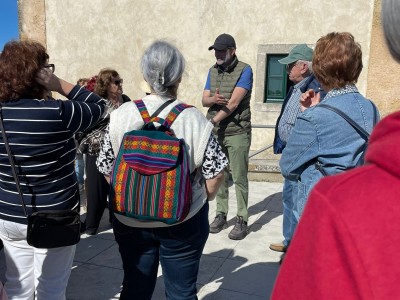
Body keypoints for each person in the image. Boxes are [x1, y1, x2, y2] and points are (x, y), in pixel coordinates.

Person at [272, 5, 400, 297]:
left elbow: (288, 166)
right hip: (359, 206)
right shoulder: (369, 107)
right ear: (356, 67)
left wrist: (310, 117)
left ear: (320, 68)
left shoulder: (315, 117)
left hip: (321, 208)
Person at [96, 40, 227, 299]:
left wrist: (131, 192)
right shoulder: (194, 119)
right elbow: (216, 173)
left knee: (134, 286)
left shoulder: (121, 114)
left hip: (129, 219)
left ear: (145, 75)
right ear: (178, 76)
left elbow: (105, 166)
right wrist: (203, 198)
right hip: (183, 218)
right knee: (181, 291)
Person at [0, 40, 106, 300]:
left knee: (17, 286)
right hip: (56, 214)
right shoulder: (57, 113)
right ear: (38, 74)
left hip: (10, 215)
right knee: (51, 289)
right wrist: (57, 84)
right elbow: (101, 106)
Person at [269, 44, 325, 253]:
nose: (286, 70)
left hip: (301, 157)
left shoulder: (314, 88)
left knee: (297, 203)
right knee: (288, 199)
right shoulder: (296, 86)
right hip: (292, 154)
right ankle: (289, 241)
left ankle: (295, 247)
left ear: (303, 66)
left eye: (290, 66)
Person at [202, 33, 253, 240]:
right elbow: (204, 100)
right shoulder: (212, 71)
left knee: (239, 177)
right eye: (216, 50)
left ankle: (242, 218)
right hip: (216, 133)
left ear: (233, 51)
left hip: (237, 131)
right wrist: (213, 98)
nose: (218, 54)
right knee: (218, 175)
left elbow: (233, 104)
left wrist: (212, 120)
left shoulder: (245, 70)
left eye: (222, 50)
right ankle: (221, 214)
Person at [79, 68, 129, 235]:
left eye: (120, 81)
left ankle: (117, 220)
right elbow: (87, 125)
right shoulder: (98, 103)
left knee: (118, 188)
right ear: (106, 85)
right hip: (97, 150)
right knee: (96, 191)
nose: (120, 84)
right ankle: (91, 226)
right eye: (116, 82)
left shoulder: (126, 100)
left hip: (121, 151)